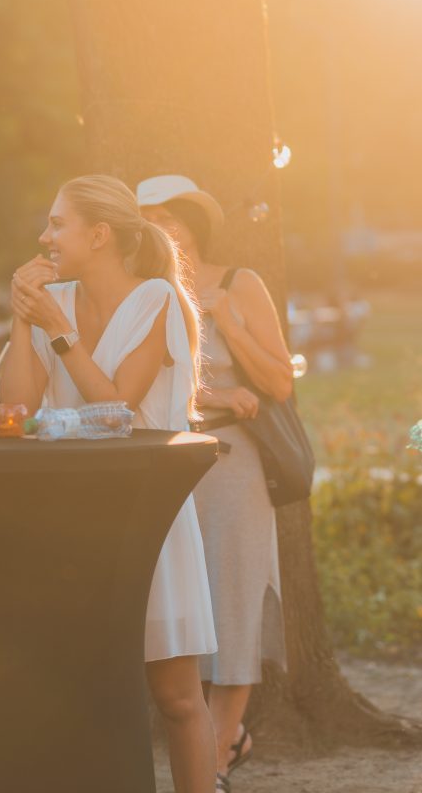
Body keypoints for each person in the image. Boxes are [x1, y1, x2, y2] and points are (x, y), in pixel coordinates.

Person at [0, 174, 217, 793]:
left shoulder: (157, 300)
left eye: (57, 224)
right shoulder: (53, 303)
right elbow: (14, 412)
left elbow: (118, 410)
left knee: (176, 695)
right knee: (82, 688)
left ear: (99, 235)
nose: (44, 238)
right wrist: (23, 322)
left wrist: (57, 332)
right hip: (73, 517)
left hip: (150, 510)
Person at [138, 175, 290, 793]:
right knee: (181, 599)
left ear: (191, 223)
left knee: (234, 594)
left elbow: (280, 384)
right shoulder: (145, 291)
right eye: (146, 220)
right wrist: (211, 391)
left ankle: (222, 750)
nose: (157, 231)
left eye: (166, 218)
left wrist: (229, 319)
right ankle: (205, 733)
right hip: (171, 460)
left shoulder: (238, 284)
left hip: (236, 463)